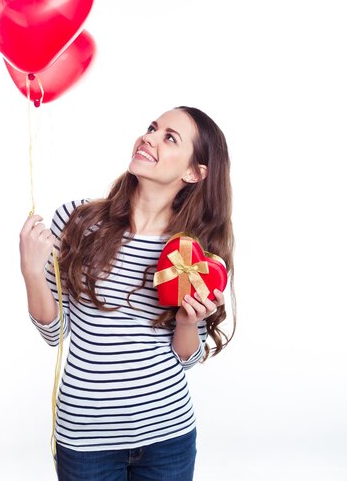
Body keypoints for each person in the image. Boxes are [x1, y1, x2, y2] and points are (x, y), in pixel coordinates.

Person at [19, 106, 236, 481]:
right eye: (152, 128)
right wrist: (31, 272)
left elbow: (185, 360)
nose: (148, 137)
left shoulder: (193, 250)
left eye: (169, 137)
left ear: (194, 172)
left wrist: (188, 322)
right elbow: (55, 333)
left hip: (168, 438)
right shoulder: (77, 221)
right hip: (86, 440)